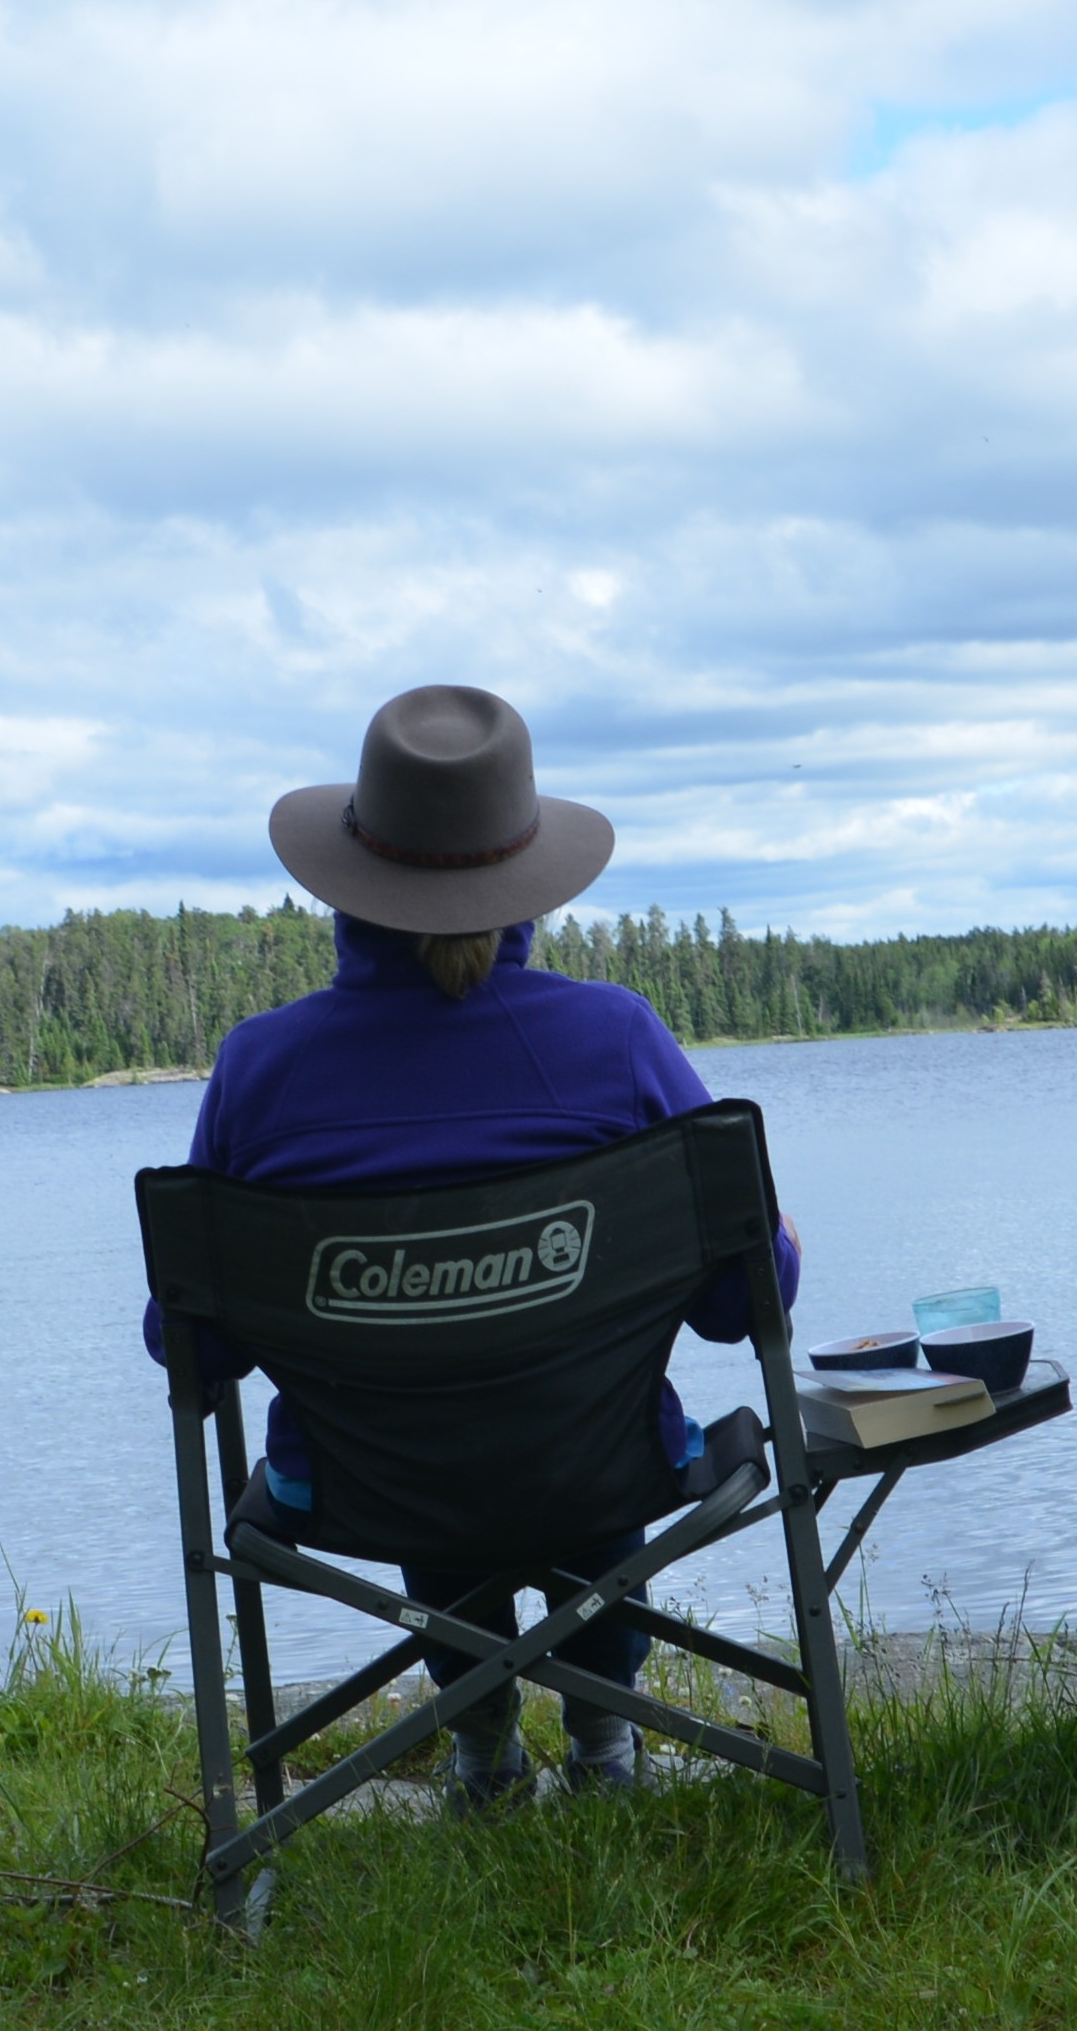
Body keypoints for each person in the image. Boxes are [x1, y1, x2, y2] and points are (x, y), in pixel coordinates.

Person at [147, 682, 798, 1807]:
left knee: (428, 1434)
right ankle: (605, 1735)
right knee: (565, 1429)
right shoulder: (615, 1038)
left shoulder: (262, 1068)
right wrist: (774, 1232)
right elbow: (750, 1300)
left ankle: (480, 1742)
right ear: (526, 884)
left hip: (356, 1488)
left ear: (347, 886)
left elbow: (190, 1349)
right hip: (604, 1469)